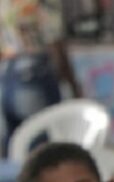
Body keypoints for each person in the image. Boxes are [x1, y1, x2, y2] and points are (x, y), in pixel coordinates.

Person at [0, 0, 83, 156]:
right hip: (34, 76)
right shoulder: (42, 4)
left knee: (11, 150)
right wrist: (73, 85)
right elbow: (55, 44)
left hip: (5, 78)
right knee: (39, 150)